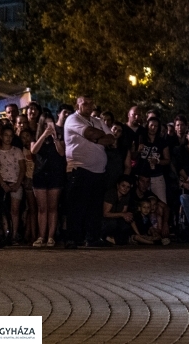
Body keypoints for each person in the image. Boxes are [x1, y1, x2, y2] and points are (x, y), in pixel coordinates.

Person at [64, 95, 115, 249]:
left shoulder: (98, 121)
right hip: (80, 169)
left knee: (94, 207)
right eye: (84, 103)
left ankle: (92, 237)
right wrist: (98, 137)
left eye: (91, 103)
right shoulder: (73, 119)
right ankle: (73, 238)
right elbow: (89, 133)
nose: (88, 106)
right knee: (77, 206)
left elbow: (111, 137)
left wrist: (97, 138)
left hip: (98, 171)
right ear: (77, 105)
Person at [30, 111, 66, 248]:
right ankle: (41, 236)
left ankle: (51, 237)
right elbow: (33, 150)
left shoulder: (59, 135)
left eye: (50, 123)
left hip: (55, 175)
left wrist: (55, 137)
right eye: (45, 124)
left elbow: (62, 152)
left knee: (53, 207)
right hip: (40, 174)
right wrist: (44, 134)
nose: (48, 126)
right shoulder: (36, 135)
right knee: (42, 208)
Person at [0, 126, 26, 245]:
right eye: (6, 135)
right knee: (3, 210)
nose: (8, 138)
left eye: (11, 136)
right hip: (2, 183)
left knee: (15, 210)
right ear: (1, 136)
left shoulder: (17, 151)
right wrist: (2, 184)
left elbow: (22, 168)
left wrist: (18, 183)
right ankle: (6, 234)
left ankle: (14, 235)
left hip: (15, 182)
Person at [102, 175, 134, 245]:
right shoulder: (111, 194)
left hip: (116, 219)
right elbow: (106, 214)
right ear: (118, 185)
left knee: (126, 224)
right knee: (113, 224)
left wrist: (127, 217)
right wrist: (122, 215)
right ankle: (104, 237)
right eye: (123, 186)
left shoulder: (126, 196)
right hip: (105, 221)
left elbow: (124, 212)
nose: (125, 189)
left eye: (128, 187)